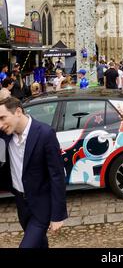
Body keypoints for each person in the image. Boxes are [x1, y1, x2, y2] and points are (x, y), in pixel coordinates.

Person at [0, 96, 67, 248]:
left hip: (41, 204)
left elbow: (57, 175)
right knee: (39, 243)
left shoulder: (45, 133)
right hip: (21, 203)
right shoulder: (4, 135)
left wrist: (57, 215)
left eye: (3, 118)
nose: (0, 124)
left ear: (18, 112)